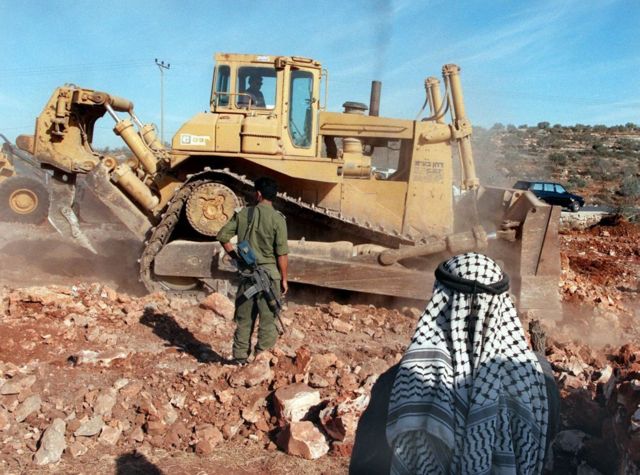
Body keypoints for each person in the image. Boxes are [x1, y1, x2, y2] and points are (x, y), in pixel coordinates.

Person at [381, 252, 556, 475]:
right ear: (503, 303)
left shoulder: (403, 382)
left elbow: (367, 463)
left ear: (439, 298)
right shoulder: (540, 380)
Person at [217, 177, 288, 365]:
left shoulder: (244, 214)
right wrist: (284, 279)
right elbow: (282, 254)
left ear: (258, 194)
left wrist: (236, 258)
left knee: (244, 319)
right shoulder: (278, 219)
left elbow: (222, 236)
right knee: (268, 320)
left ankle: (240, 358)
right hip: (270, 277)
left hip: (248, 276)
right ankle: (261, 359)